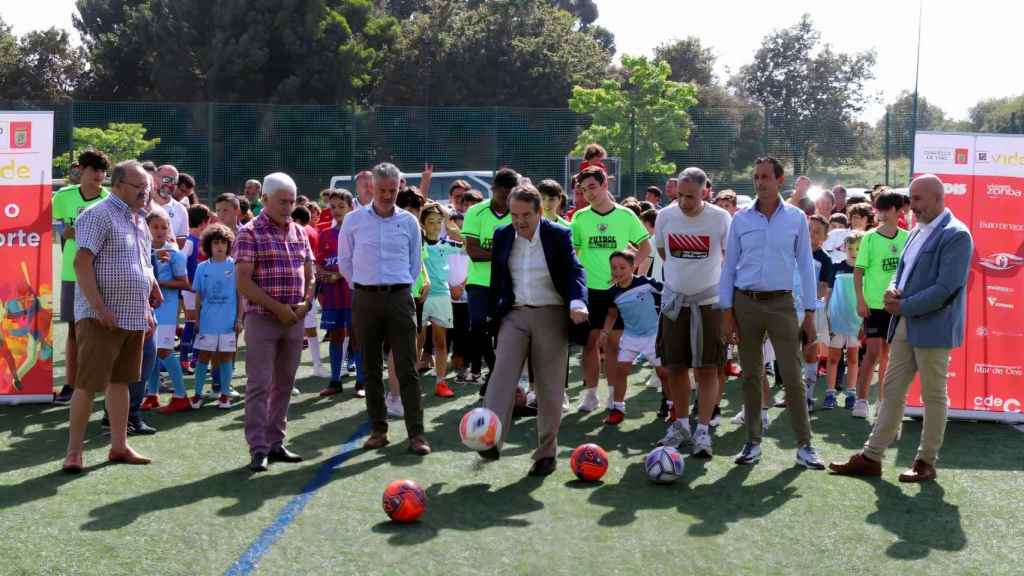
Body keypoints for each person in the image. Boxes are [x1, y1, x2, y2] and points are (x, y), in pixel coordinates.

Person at [830, 174, 972, 483]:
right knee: (892, 389)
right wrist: (892, 290)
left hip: (934, 326)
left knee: (933, 395)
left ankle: (926, 461)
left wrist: (903, 305)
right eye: (911, 199)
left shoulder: (957, 235)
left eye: (917, 199)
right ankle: (871, 456)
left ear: (938, 198)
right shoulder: (916, 231)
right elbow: (901, 272)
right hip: (906, 323)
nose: (912, 206)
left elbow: (946, 289)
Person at [720, 157, 825, 469]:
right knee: (751, 376)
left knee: (792, 376)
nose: (759, 182)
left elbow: (805, 265)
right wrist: (727, 311)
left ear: (780, 180)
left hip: (782, 304)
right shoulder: (740, 219)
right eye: (756, 176)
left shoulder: (796, 218)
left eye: (765, 176)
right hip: (745, 303)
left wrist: (810, 311)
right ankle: (752, 443)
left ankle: (805, 446)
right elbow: (729, 266)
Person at [481, 184, 588, 476]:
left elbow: (575, 271)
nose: (519, 221)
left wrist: (577, 301)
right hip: (514, 314)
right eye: (514, 215)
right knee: (501, 376)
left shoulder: (558, 235)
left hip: (551, 312)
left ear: (540, 211)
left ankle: (546, 453)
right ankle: (490, 439)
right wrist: (494, 312)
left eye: (526, 214)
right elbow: (497, 278)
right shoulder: (503, 235)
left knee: (549, 386)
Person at [62, 160, 156, 472]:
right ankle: (74, 452)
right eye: (138, 186)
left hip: (133, 316)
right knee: (87, 385)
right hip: (100, 317)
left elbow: (142, 264)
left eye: (147, 187)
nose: (145, 192)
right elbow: (81, 263)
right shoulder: (97, 214)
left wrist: (149, 300)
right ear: (117, 185)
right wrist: (99, 307)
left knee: (121, 382)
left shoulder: (139, 219)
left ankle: (119, 446)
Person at [339, 163, 431, 456]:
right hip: (365, 299)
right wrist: (362, 286)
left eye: (393, 190)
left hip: (400, 298)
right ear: (372, 188)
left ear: (399, 188)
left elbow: (415, 264)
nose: (388, 195)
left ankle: (416, 434)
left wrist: (397, 287)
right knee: (370, 367)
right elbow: (345, 262)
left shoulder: (409, 222)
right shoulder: (353, 221)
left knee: (407, 368)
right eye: (382, 190)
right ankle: (378, 430)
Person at [234, 172, 314, 472]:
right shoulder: (249, 232)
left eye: (292, 201)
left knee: (285, 384)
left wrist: (306, 301)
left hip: (294, 318)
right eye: (282, 201)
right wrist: (278, 308)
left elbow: (311, 273)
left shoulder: (300, 231)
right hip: (262, 319)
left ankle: (276, 443)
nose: (288, 207)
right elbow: (243, 282)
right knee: (259, 385)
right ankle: (258, 447)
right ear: (265, 199)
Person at [653, 167, 731, 457]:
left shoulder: (720, 218)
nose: (684, 202)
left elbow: (729, 259)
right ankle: (681, 425)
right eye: (680, 196)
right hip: (675, 302)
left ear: (705, 191)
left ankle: (703, 431)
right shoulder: (665, 216)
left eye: (691, 196)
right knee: (675, 366)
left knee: (707, 368)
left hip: (709, 303)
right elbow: (665, 254)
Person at [570, 166, 652, 413]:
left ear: (605, 185)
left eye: (592, 187)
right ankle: (590, 395)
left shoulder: (625, 215)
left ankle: (614, 396)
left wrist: (628, 272)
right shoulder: (580, 218)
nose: (588, 193)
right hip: (589, 291)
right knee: (590, 344)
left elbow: (645, 247)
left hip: (618, 293)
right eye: (583, 190)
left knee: (614, 345)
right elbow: (574, 252)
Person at [52, 150, 111, 405]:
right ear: (81, 170)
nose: (99, 175)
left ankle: (105, 383)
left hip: (103, 274)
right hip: (71, 272)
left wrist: (80, 233)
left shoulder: (110, 200)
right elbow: (51, 224)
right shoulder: (63, 197)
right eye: (94, 169)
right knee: (74, 331)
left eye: (102, 170)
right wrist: (62, 230)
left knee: (105, 330)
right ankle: (70, 384)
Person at [852, 190, 909, 418]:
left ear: (898, 210)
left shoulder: (907, 237)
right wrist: (860, 300)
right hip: (874, 305)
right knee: (873, 352)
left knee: (888, 355)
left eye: (886, 209)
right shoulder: (869, 238)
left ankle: (883, 401)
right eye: (879, 209)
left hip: (896, 305)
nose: (882, 213)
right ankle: (861, 400)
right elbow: (858, 272)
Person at [599, 250, 668, 425]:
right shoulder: (612, 292)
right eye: (614, 268)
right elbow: (612, 315)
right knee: (621, 371)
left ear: (632, 267)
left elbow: (668, 292)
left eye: (622, 267)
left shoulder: (646, 283)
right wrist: (605, 332)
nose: (617, 271)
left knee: (663, 373)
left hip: (653, 336)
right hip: (630, 337)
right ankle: (618, 409)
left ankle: (672, 406)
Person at [462, 168, 515, 389]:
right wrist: (504, 255)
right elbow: (473, 251)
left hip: (508, 282)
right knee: (477, 324)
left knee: (503, 331)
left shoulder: (518, 213)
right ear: (493, 189)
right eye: (503, 193)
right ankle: (495, 370)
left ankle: (496, 376)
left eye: (511, 193)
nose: (507, 198)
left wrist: (494, 255)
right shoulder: (475, 212)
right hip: (479, 281)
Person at [140, 212, 192, 414]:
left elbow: (185, 283)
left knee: (164, 351)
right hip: (148, 309)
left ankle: (181, 396)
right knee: (151, 352)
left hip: (167, 309)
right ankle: (152, 395)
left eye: (164, 227)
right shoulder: (142, 249)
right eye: (155, 227)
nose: (160, 231)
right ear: (146, 228)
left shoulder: (174, 254)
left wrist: (155, 283)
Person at [190, 224, 242, 409]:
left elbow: (240, 296)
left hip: (229, 323)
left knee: (226, 358)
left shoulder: (235, 266)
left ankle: (225, 395)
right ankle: (197, 394)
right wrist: (197, 320)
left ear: (228, 245)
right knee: (203, 358)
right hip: (207, 323)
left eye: (223, 243)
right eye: (215, 243)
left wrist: (239, 319)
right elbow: (198, 297)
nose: (219, 246)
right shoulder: (202, 268)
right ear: (208, 245)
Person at [419, 202, 462, 398]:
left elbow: (465, 243)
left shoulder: (447, 244)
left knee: (440, 342)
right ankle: (410, 381)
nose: (436, 226)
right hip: (420, 296)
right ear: (423, 224)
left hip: (442, 297)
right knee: (417, 341)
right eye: (431, 221)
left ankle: (441, 382)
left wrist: (447, 217)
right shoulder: (417, 243)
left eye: (439, 221)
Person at [317, 190, 357, 397]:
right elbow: (319, 263)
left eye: (341, 206)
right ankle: (335, 381)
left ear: (351, 207)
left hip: (354, 295)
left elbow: (360, 261)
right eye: (333, 207)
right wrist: (323, 274)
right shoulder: (325, 234)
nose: (337, 211)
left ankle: (361, 383)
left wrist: (339, 275)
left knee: (357, 337)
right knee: (336, 337)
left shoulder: (358, 233)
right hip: (333, 297)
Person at [825, 231, 863, 409]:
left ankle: (851, 394)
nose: (854, 252)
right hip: (837, 321)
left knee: (854, 359)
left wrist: (864, 322)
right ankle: (830, 394)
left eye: (858, 248)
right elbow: (829, 294)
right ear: (844, 248)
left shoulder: (866, 270)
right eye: (850, 248)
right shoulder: (836, 267)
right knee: (833, 359)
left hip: (857, 322)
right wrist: (827, 318)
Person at [291, 206, 327, 380]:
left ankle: (293, 369)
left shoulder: (298, 231)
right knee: (309, 327)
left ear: (296, 220)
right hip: (309, 283)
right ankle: (317, 364)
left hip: (300, 282)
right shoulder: (313, 231)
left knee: (295, 329)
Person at [180, 204, 212, 375]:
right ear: (204, 222)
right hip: (191, 290)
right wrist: (187, 284)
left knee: (202, 324)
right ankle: (184, 359)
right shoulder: (190, 241)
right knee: (191, 323)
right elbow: (180, 263)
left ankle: (196, 360)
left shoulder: (203, 241)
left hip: (202, 291)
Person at [154, 165, 189, 248]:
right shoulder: (142, 205)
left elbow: (181, 243)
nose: (170, 184)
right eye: (166, 179)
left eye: (174, 181)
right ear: (154, 179)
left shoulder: (181, 209)